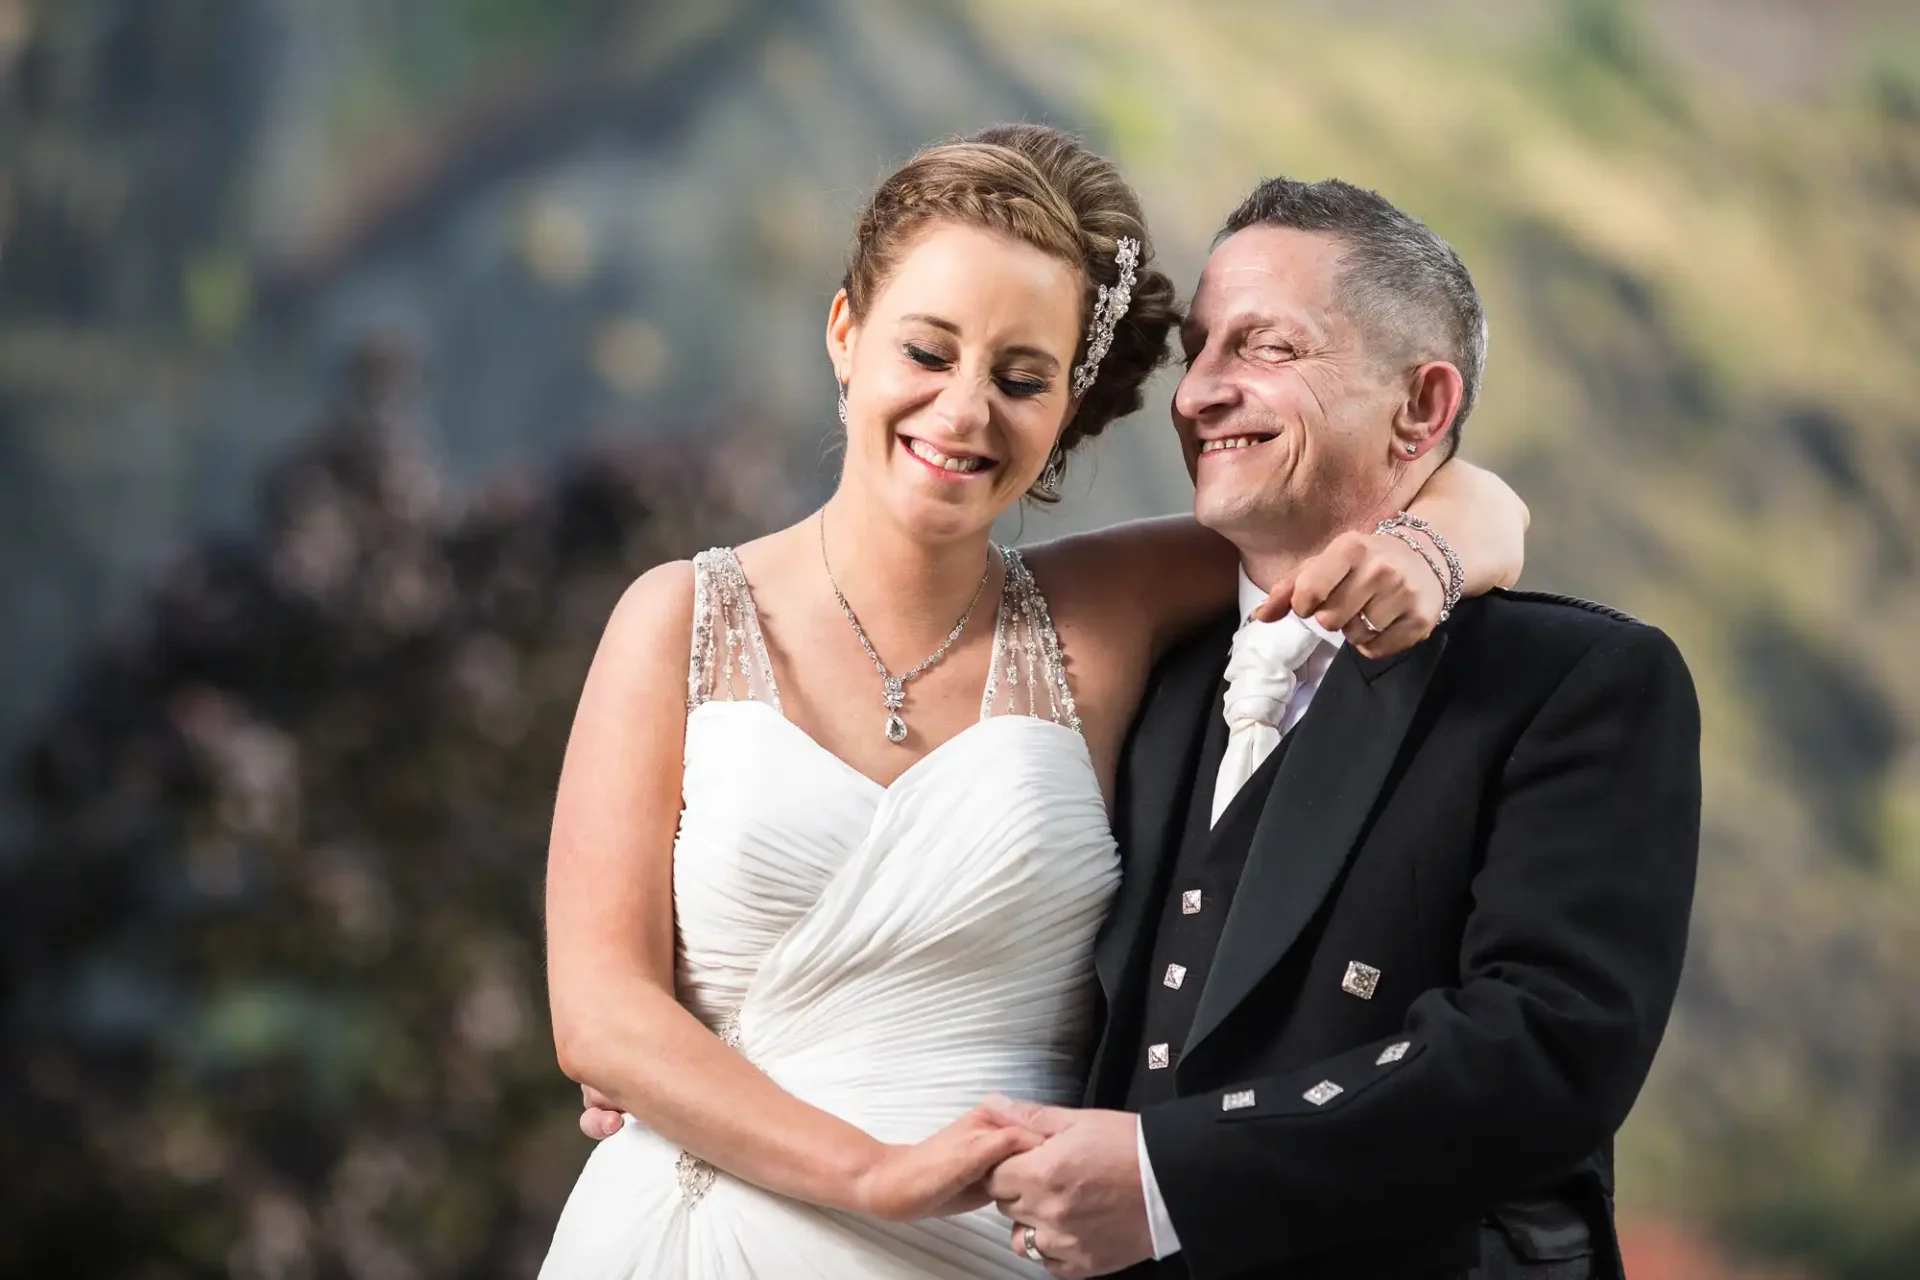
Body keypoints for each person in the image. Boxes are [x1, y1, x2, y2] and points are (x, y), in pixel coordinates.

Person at [543, 126, 1529, 1279]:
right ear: (845, 334)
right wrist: (873, 1171)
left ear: (1070, 404)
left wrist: (1430, 548)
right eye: (927, 350)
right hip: (688, 1234)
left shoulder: (1101, 613)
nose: (965, 412)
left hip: (994, 1246)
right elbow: (602, 1010)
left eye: (1021, 378)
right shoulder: (679, 619)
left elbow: (1446, 494)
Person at [973, 180, 1701, 1280]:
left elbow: (1548, 1046)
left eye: (1264, 346)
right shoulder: (1147, 676)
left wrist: (1176, 1175)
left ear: (1422, 405)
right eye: (1197, 349)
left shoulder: (1579, 681)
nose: (1203, 392)